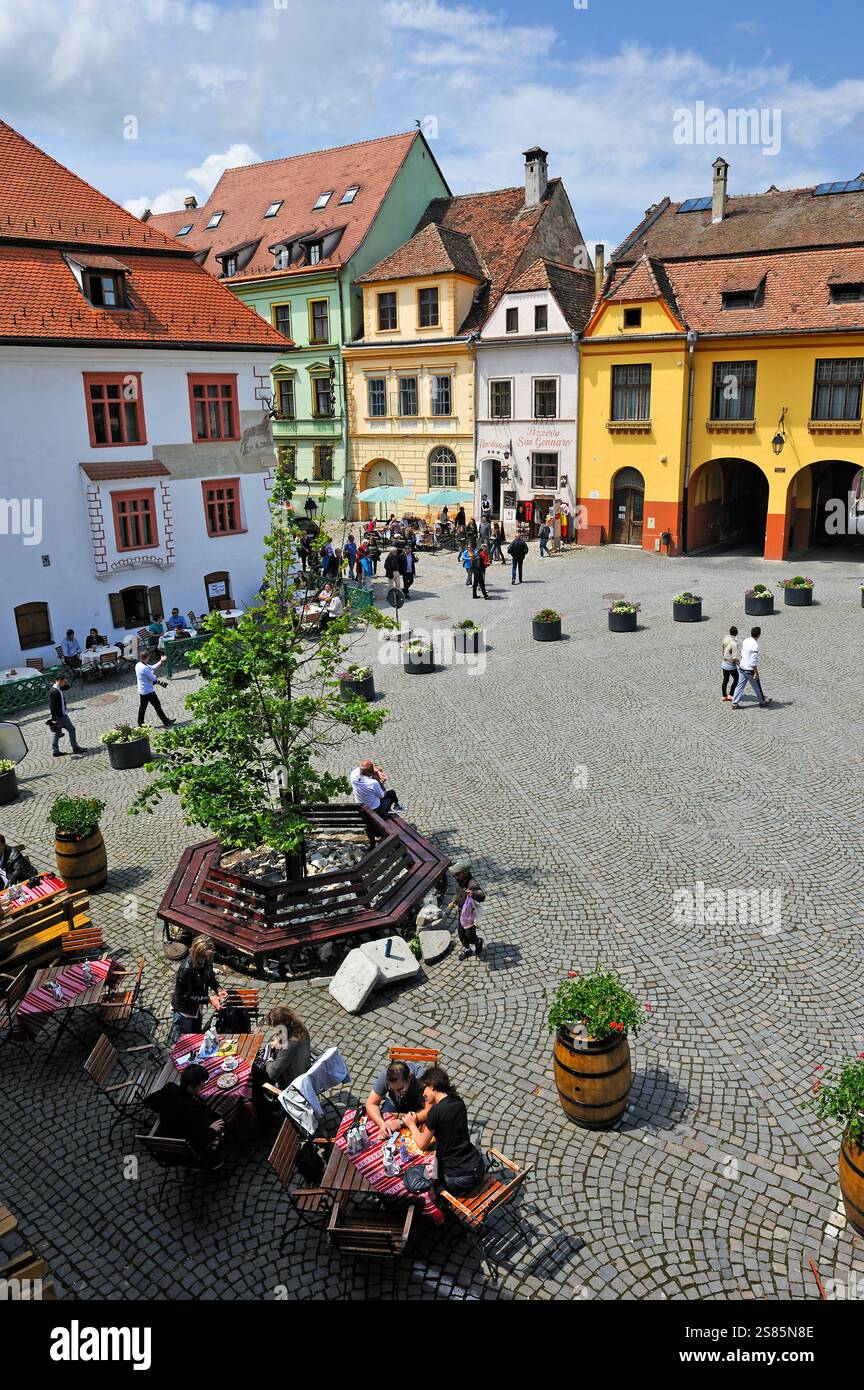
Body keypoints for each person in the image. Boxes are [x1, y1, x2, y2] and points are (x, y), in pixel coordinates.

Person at [403, 1067, 485, 1195]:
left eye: (424, 1088)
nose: (422, 1094)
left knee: (421, 1180)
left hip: (459, 1179)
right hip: (478, 1166)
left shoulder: (435, 1112)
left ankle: (440, 1203)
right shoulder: (458, 1101)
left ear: (432, 1086)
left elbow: (422, 1144)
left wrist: (411, 1124)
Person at [146, 1065, 225, 1167]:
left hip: (165, 1147)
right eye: (201, 1086)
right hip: (187, 1153)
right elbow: (199, 1138)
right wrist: (212, 1130)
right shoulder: (193, 1109)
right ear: (190, 1087)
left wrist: (165, 1108)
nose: (203, 1087)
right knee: (218, 1119)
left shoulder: (169, 1088)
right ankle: (214, 1161)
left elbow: (149, 1101)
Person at [251, 1005, 311, 1119]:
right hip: (304, 1068)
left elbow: (273, 1073)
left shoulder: (289, 1045)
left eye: (274, 1027)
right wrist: (278, 1041)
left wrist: (269, 1059)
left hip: (293, 1081)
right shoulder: (300, 1027)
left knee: (254, 1076)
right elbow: (285, 1042)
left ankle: (266, 1114)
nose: (274, 1030)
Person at [170, 934, 227, 1037]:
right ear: (197, 953)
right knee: (188, 1041)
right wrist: (209, 999)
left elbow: (209, 977)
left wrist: (218, 988)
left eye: (209, 956)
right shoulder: (186, 969)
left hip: (196, 1008)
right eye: (205, 956)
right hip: (184, 1011)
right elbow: (187, 997)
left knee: (197, 1035)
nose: (208, 959)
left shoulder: (206, 959)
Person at [365, 1060, 430, 1140]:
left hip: (416, 1108)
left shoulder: (421, 1080)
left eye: (400, 1089)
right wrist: (381, 1124)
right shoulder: (385, 1076)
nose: (397, 1094)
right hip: (393, 1105)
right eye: (392, 1089)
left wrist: (402, 1122)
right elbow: (371, 1104)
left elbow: (430, 1109)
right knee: (382, 1133)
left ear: (409, 1077)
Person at [449, 858, 486, 959]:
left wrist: (473, 894)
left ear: (465, 873)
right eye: (455, 874)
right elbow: (458, 893)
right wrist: (454, 901)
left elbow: (482, 896)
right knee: (461, 933)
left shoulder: (472, 884)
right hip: (462, 912)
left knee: (470, 935)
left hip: (470, 913)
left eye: (457, 874)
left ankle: (478, 942)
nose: (455, 876)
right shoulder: (459, 880)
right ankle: (467, 950)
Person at [731, 627, 771, 709]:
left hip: (742, 667)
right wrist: (756, 672)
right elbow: (753, 661)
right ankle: (762, 702)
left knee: (739, 686)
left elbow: (742, 652)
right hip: (749, 670)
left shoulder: (746, 640)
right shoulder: (755, 645)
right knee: (757, 687)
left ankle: (734, 703)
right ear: (759, 635)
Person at [135, 649, 174, 727]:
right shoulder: (144, 668)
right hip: (148, 691)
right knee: (157, 706)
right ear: (147, 657)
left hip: (142, 690)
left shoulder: (139, 664)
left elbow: (152, 667)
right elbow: (153, 679)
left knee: (143, 707)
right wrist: (154, 675)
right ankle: (166, 721)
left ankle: (140, 723)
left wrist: (161, 661)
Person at [48, 674, 84, 757]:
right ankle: (75, 748)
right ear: (59, 681)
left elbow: (67, 687)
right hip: (61, 716)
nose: (65, 683)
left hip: (60, 716)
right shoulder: (54, 692)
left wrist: (67, 681)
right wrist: (54, 719)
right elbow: (52, 707)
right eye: (64, 682)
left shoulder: (57, 688)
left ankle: (55, 751)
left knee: (57, 733)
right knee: (71, 729)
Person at [721, 626, 740, 701]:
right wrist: (739, 663)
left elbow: (723, 649)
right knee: (736, 679)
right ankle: (731, 694)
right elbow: (734, 657)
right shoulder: (734, 643)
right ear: (736, 633)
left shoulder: (725, 639)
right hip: (730, 665)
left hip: (724, 663)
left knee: (725, 680)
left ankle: (724, 696)